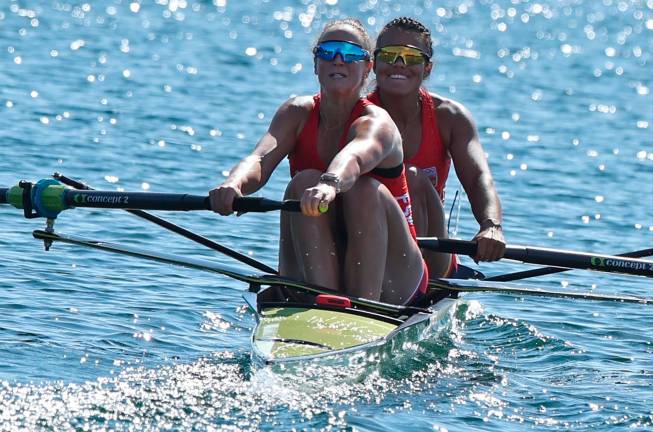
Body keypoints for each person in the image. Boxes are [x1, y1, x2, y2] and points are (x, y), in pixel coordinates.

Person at [209, 19, 427, 305]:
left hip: (395, 274)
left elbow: (355, 156)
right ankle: (322, 304)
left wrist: (330, 183)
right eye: (328, 52)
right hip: (319, 259)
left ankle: (361, 309)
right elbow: (259, 159)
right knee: (303, 183)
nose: (338, 59)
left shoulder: (377, 123)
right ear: (315, 64)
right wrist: (233, 184)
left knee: (362, 190)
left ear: (367, 68)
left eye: (350, 53)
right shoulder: (296, 113)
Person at [369, 17, 506, 278]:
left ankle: (415, 284)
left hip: (429, 252)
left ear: (428, 68)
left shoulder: (450, 117)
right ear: (374, 64)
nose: (399, 63)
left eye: (412, 57)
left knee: (412, 178)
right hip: (367, 240)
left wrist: (491, 226)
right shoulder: (357, 113)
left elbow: (479, 178)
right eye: (389, 55)